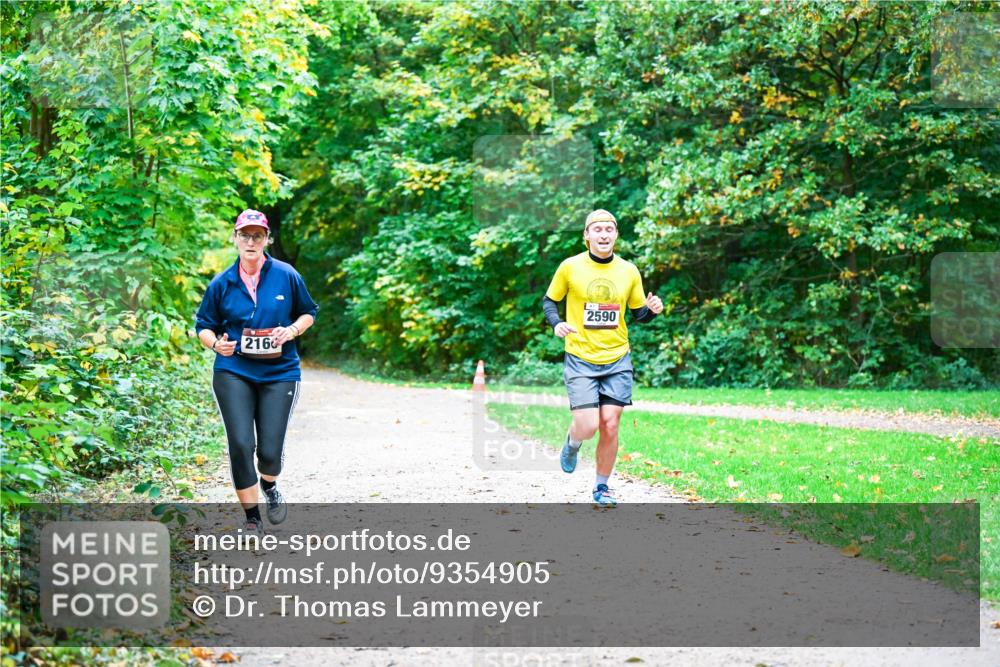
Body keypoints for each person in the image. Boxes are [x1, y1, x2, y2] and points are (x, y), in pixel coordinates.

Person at [195, 209, 318, 534]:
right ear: (235, 238)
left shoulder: (286, 275)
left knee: (269, 453)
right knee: (239, 443)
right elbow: (203, 326)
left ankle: (270, 483)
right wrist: (214, 345)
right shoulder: (222, 283)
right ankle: (252, 519)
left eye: (257, 236)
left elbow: (308, 312)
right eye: (244, 235)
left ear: (266, 239)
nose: (250, 241)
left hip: (280, 372)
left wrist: (291, 330)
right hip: (234, 370)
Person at [542, 209, 663, 506]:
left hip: (617, 357)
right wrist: (557, 323)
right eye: (597, 230)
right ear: (586, 236)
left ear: (616, 235)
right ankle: (573, 443)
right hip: (581, 356)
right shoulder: (570, 267)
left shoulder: (628, 271)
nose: (604, 234)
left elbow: (638, 314)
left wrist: (652, 311)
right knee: (587, 425)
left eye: (609, 229)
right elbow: (550, 300)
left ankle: (601, 487)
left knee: (610, 423)